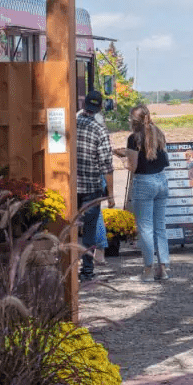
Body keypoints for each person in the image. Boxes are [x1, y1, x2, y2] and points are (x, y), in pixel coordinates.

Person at [114, 104, 171, 281]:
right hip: (162, 180)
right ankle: (163, 269)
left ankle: (148, 270)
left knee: (145, 227)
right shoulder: (159, 133)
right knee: (159, 226)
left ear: (134, 121)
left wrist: (123, 158)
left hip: (144, 182)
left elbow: (134, 166)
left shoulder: (133, 138)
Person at [76, 90, 115, 284]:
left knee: (69, 229)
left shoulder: (71, 123)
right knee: (89, 232)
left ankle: (66, 268)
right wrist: (111, 195)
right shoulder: (100, 130)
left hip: (69, 186)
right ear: (100, 107)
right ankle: (87, 271)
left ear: (84, 105)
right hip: (91, 188)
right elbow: (106, 166)